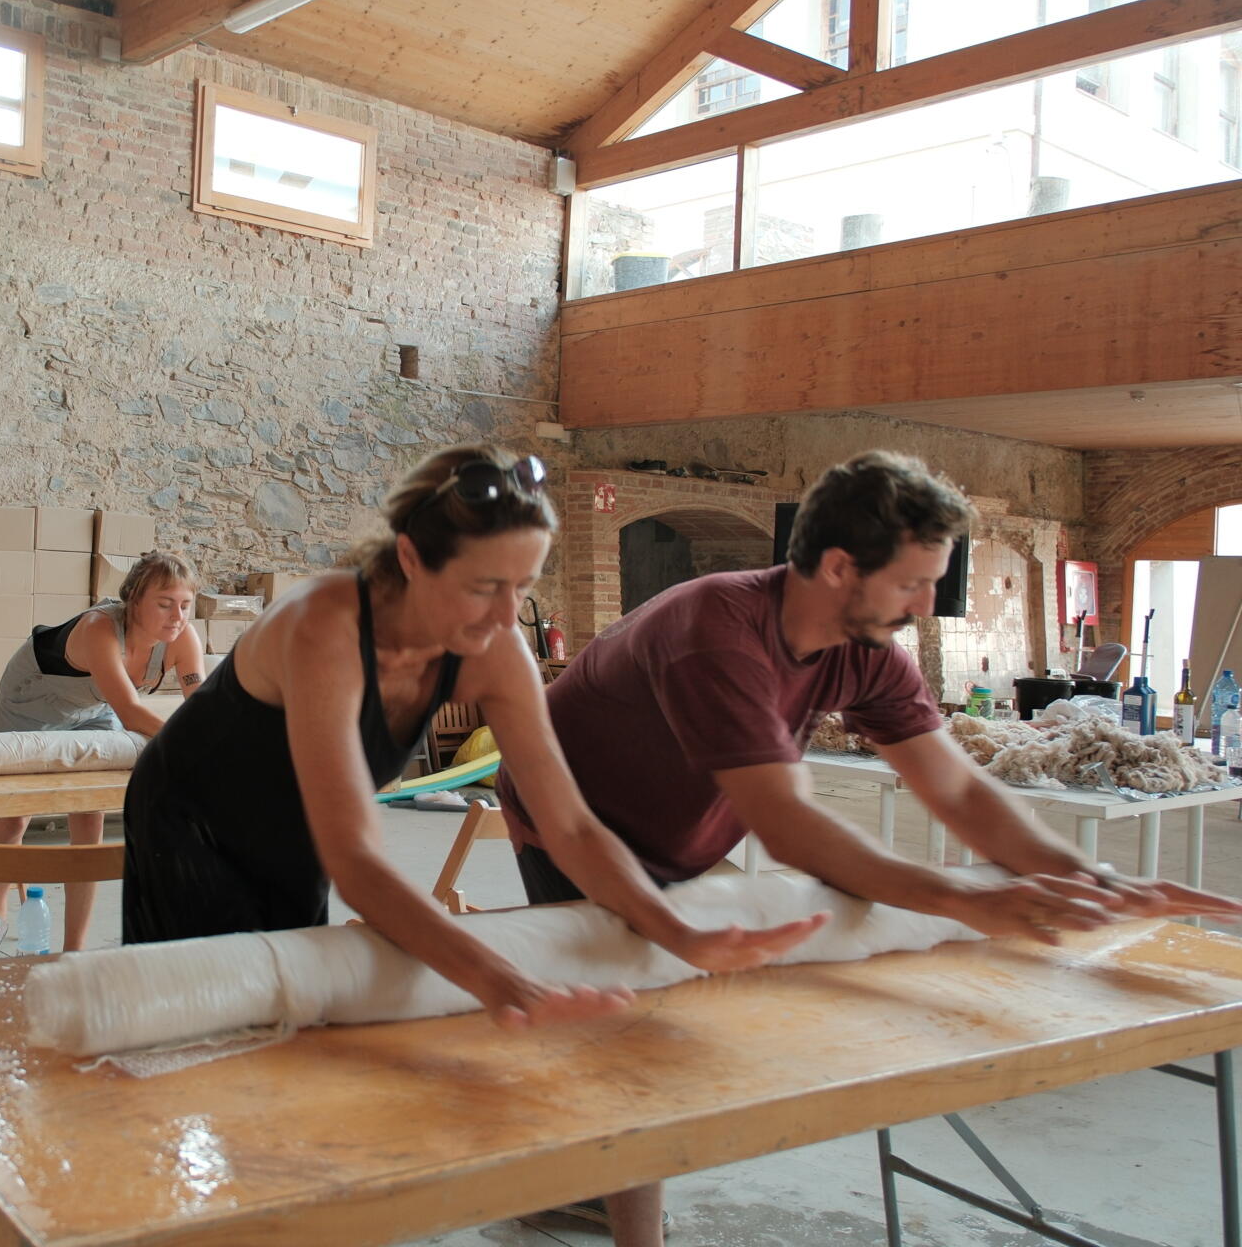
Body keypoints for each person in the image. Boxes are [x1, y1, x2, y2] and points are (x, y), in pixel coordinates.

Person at [496, 450, 1242, 1245]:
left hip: (679, 827)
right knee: (627, 1025)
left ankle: (577, 1178)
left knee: (644, 1004)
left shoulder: (869, 650)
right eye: (913, 583)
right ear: (840, 566)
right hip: (575, 819)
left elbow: (956, 790)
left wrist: (1087, 876)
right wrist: (968, 899)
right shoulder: (716, 631)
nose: (925, 604)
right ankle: (623, 1223)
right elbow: (790, 826)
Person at [123, 444, 828, 1031]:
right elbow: (357, 858)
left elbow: (573, 828)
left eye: (523, 586)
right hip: (190, 818)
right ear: (409, 558)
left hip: (293, 827)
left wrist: (676, 933)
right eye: (485, 586)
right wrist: (496, 978)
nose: (505, 615)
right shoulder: (326, 624)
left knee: (284, 1015)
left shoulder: (493, 649)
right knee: (190, 1027)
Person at [0, 551, 208, 958]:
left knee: (90, 814)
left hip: (92, 709)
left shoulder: (182, 638)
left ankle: (74, 948)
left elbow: (200, 706)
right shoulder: (100, 628)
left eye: (185, 605)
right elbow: (131, 713)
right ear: (133, 601)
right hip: (33, 699)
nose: (177, 616)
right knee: (15, 812)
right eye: (164, 604)